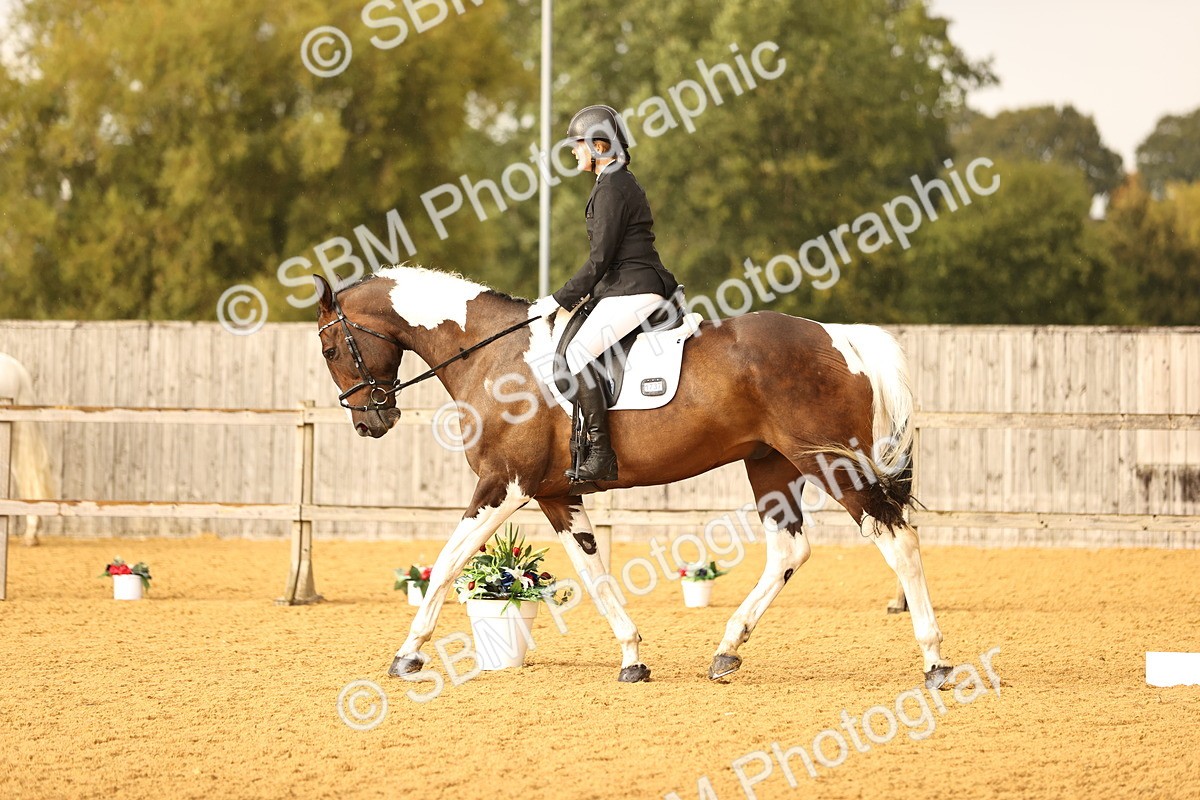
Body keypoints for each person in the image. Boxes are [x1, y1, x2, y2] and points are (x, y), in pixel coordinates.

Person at [529, 105, 680, 484]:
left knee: (578, 353)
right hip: (625, 287)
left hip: (637, 288)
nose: (573, 151)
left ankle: (601, 454)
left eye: (578, 144)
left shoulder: (613, 187)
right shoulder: (613, 182)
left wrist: (559, 298)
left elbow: (600, 260)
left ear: (599, 146)